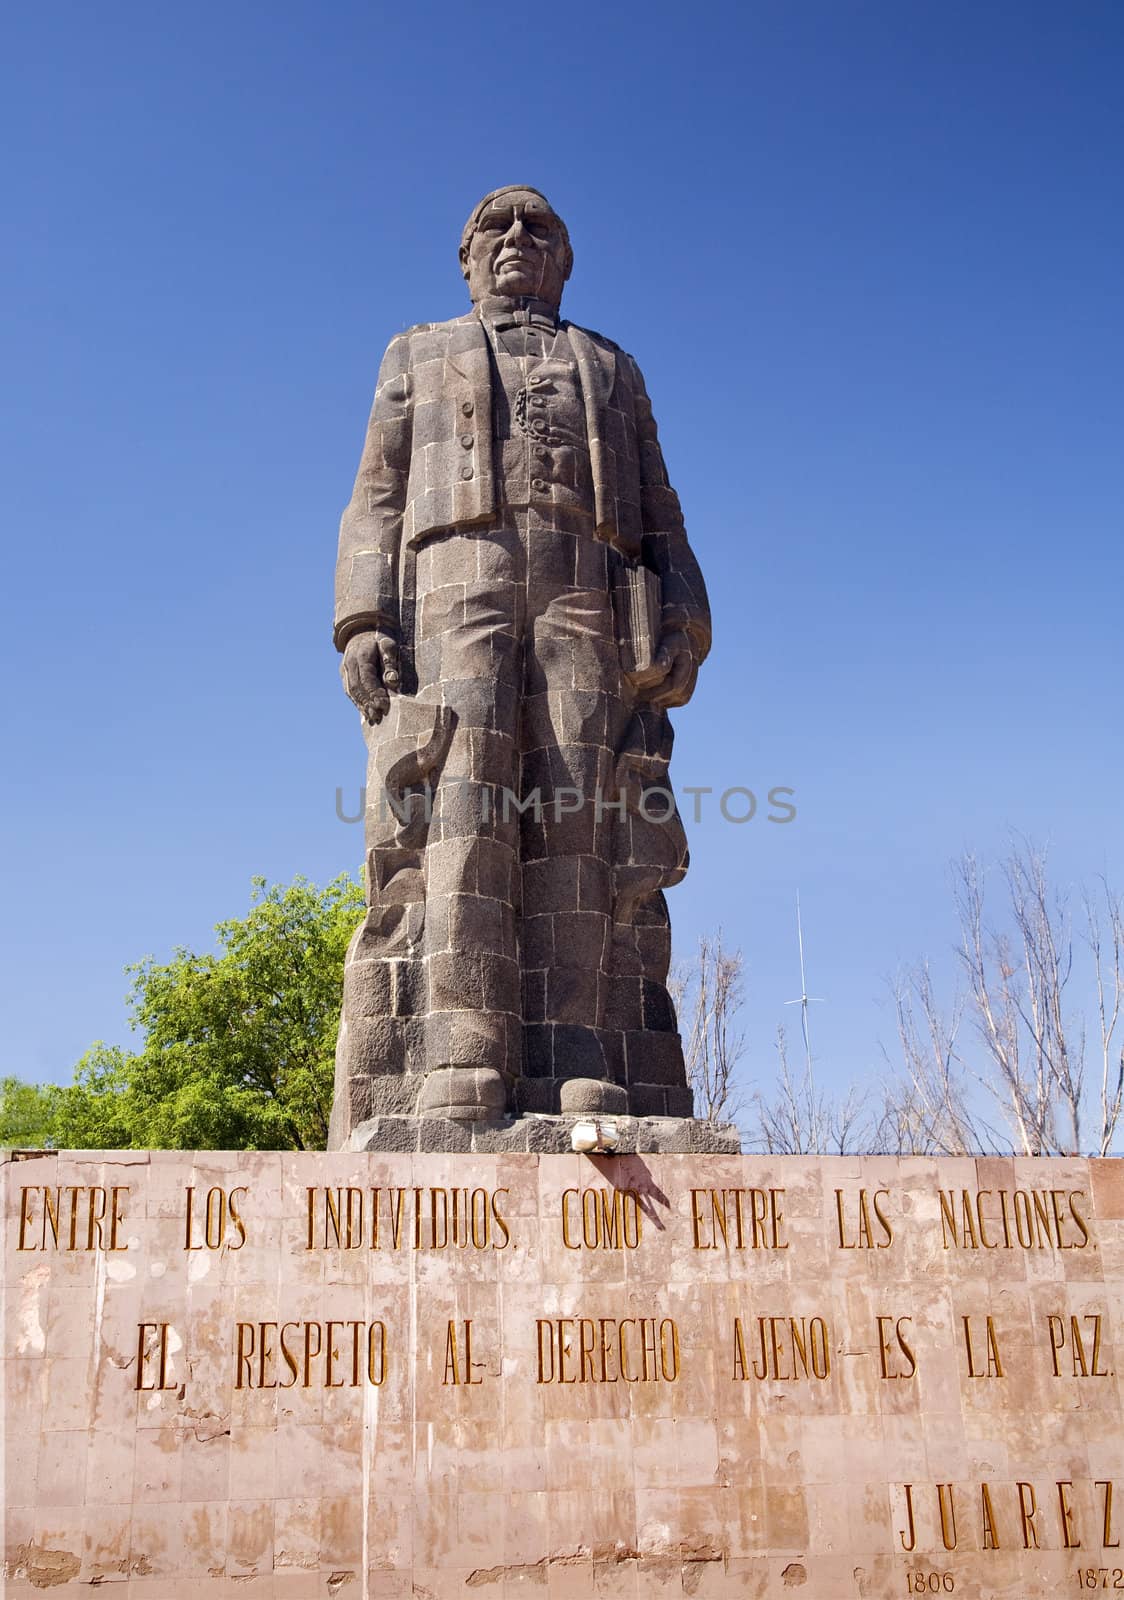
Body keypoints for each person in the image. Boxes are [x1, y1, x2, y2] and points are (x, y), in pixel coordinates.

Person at [329, 185, 710, 1143]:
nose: (514, 239)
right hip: (455, 582)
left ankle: (579, 1060)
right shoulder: (416, 351)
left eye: (538, 228)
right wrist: (364, 618)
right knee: (465, 812)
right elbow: (375, 494)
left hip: (590, 590)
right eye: (494, 227)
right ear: (465, 259)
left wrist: (684, 617)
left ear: (564, 261)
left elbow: (661, 504)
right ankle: (461, 1056)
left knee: (581, 825)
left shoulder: (611, 367)